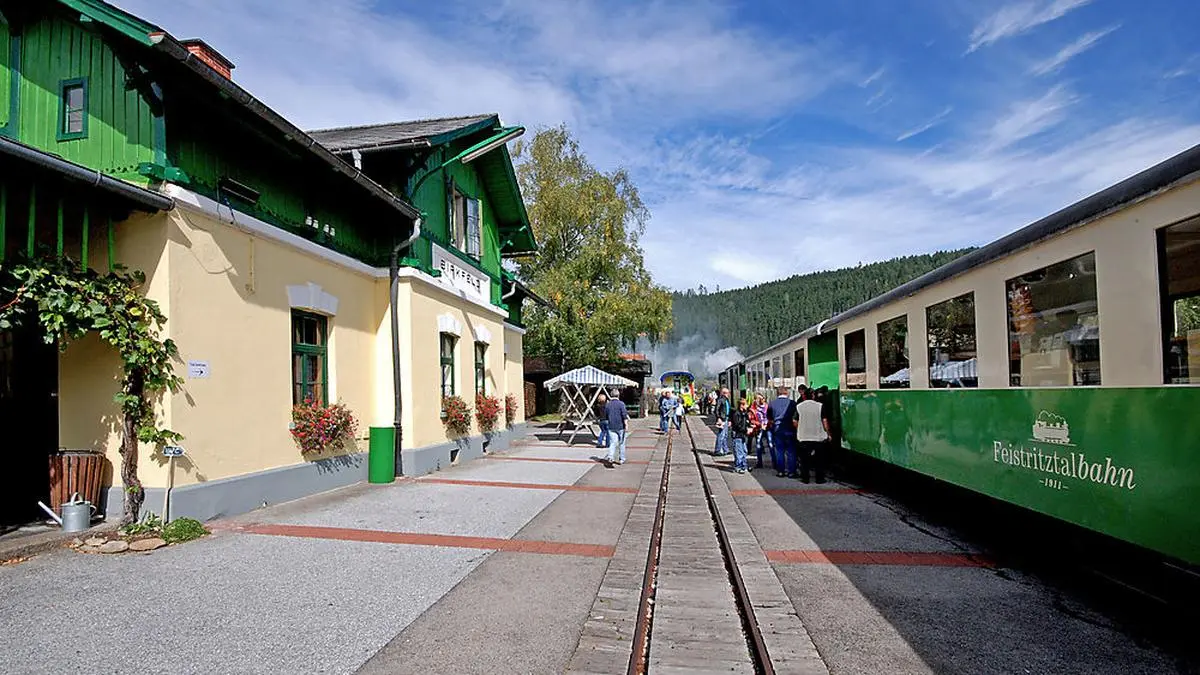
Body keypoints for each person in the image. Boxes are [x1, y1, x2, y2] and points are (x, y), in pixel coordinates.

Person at [795, 388, 831, 483]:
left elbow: (794, 421)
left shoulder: (799, 406)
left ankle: (805, 478)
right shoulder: (820, 406)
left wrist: (800, 428)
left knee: (804, 459)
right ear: (813, 396)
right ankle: (819, 479)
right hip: (818, 436)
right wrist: (828, 433)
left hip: (803, 436)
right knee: (819, 460)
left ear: (805, 396)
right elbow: (825, 421)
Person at [766, 386, 798, 478]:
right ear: (786, 393)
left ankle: (781, 471)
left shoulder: (772, 404)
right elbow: (795, 417)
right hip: (790, 429)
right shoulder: (792, 403)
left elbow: (769, 418)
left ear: (777, 393)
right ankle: (792, 472)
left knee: (780, 451)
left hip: (778, 430)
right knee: (791, 452)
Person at [604, 392, 630, 466]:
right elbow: (624, 415)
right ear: (618, 395)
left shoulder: (608, 404)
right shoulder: (621, 404)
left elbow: (606, 415)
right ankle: (622, 459)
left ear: (611, 395)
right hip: (620, 426)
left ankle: (610, 457)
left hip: (611, 426)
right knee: (622, 443)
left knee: (613, 442)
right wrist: (626, 424)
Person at [730, 398, 751, 474]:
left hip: (742, 435)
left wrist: (750, 426)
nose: (747, 406)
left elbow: (746, 422)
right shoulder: (737, 414)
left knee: (744, 451)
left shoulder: (744, 413)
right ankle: (738, 466)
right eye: (746, 404)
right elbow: (738, 425)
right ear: (742, 405)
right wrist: (746, 430)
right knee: (739, 451)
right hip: (737, 435)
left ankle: (744, 465)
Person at [753, 393, 771, 470]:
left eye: (760, 398)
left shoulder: (768, 407)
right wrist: (760, 424)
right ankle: (759, 462)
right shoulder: (753, 408)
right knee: (758, 445)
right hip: (759, 428)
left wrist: (767, 424)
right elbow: (752, 419)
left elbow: (771, 416)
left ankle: (775, 462)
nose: (759, 400)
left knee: (771, 444)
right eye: (757, 399)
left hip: (768, 427)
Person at [714, 387, 731, 456]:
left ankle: (725, 449)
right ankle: (717, 450)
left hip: (726, 418)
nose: (729, 394)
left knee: (725, 435)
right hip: (722, 419)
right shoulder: (721, 400)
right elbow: (717, 409)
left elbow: (728, 410)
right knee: (721, 435)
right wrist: (718, 418)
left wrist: (729, 419)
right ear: (724, 393)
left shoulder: (726, 400)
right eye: (728, 393)